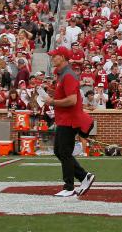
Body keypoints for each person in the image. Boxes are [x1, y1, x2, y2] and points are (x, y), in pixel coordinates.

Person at [47, 46, 95, 197]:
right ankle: (83, 176)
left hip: (70, 120)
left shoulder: (68, 75)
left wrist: (52, 101)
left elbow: (72, 100)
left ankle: (69, 187)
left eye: (55, 56)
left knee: (64, 152)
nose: (52, 58)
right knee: (58, 151)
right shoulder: (62, 74)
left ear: (62, 57)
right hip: (64, 119)